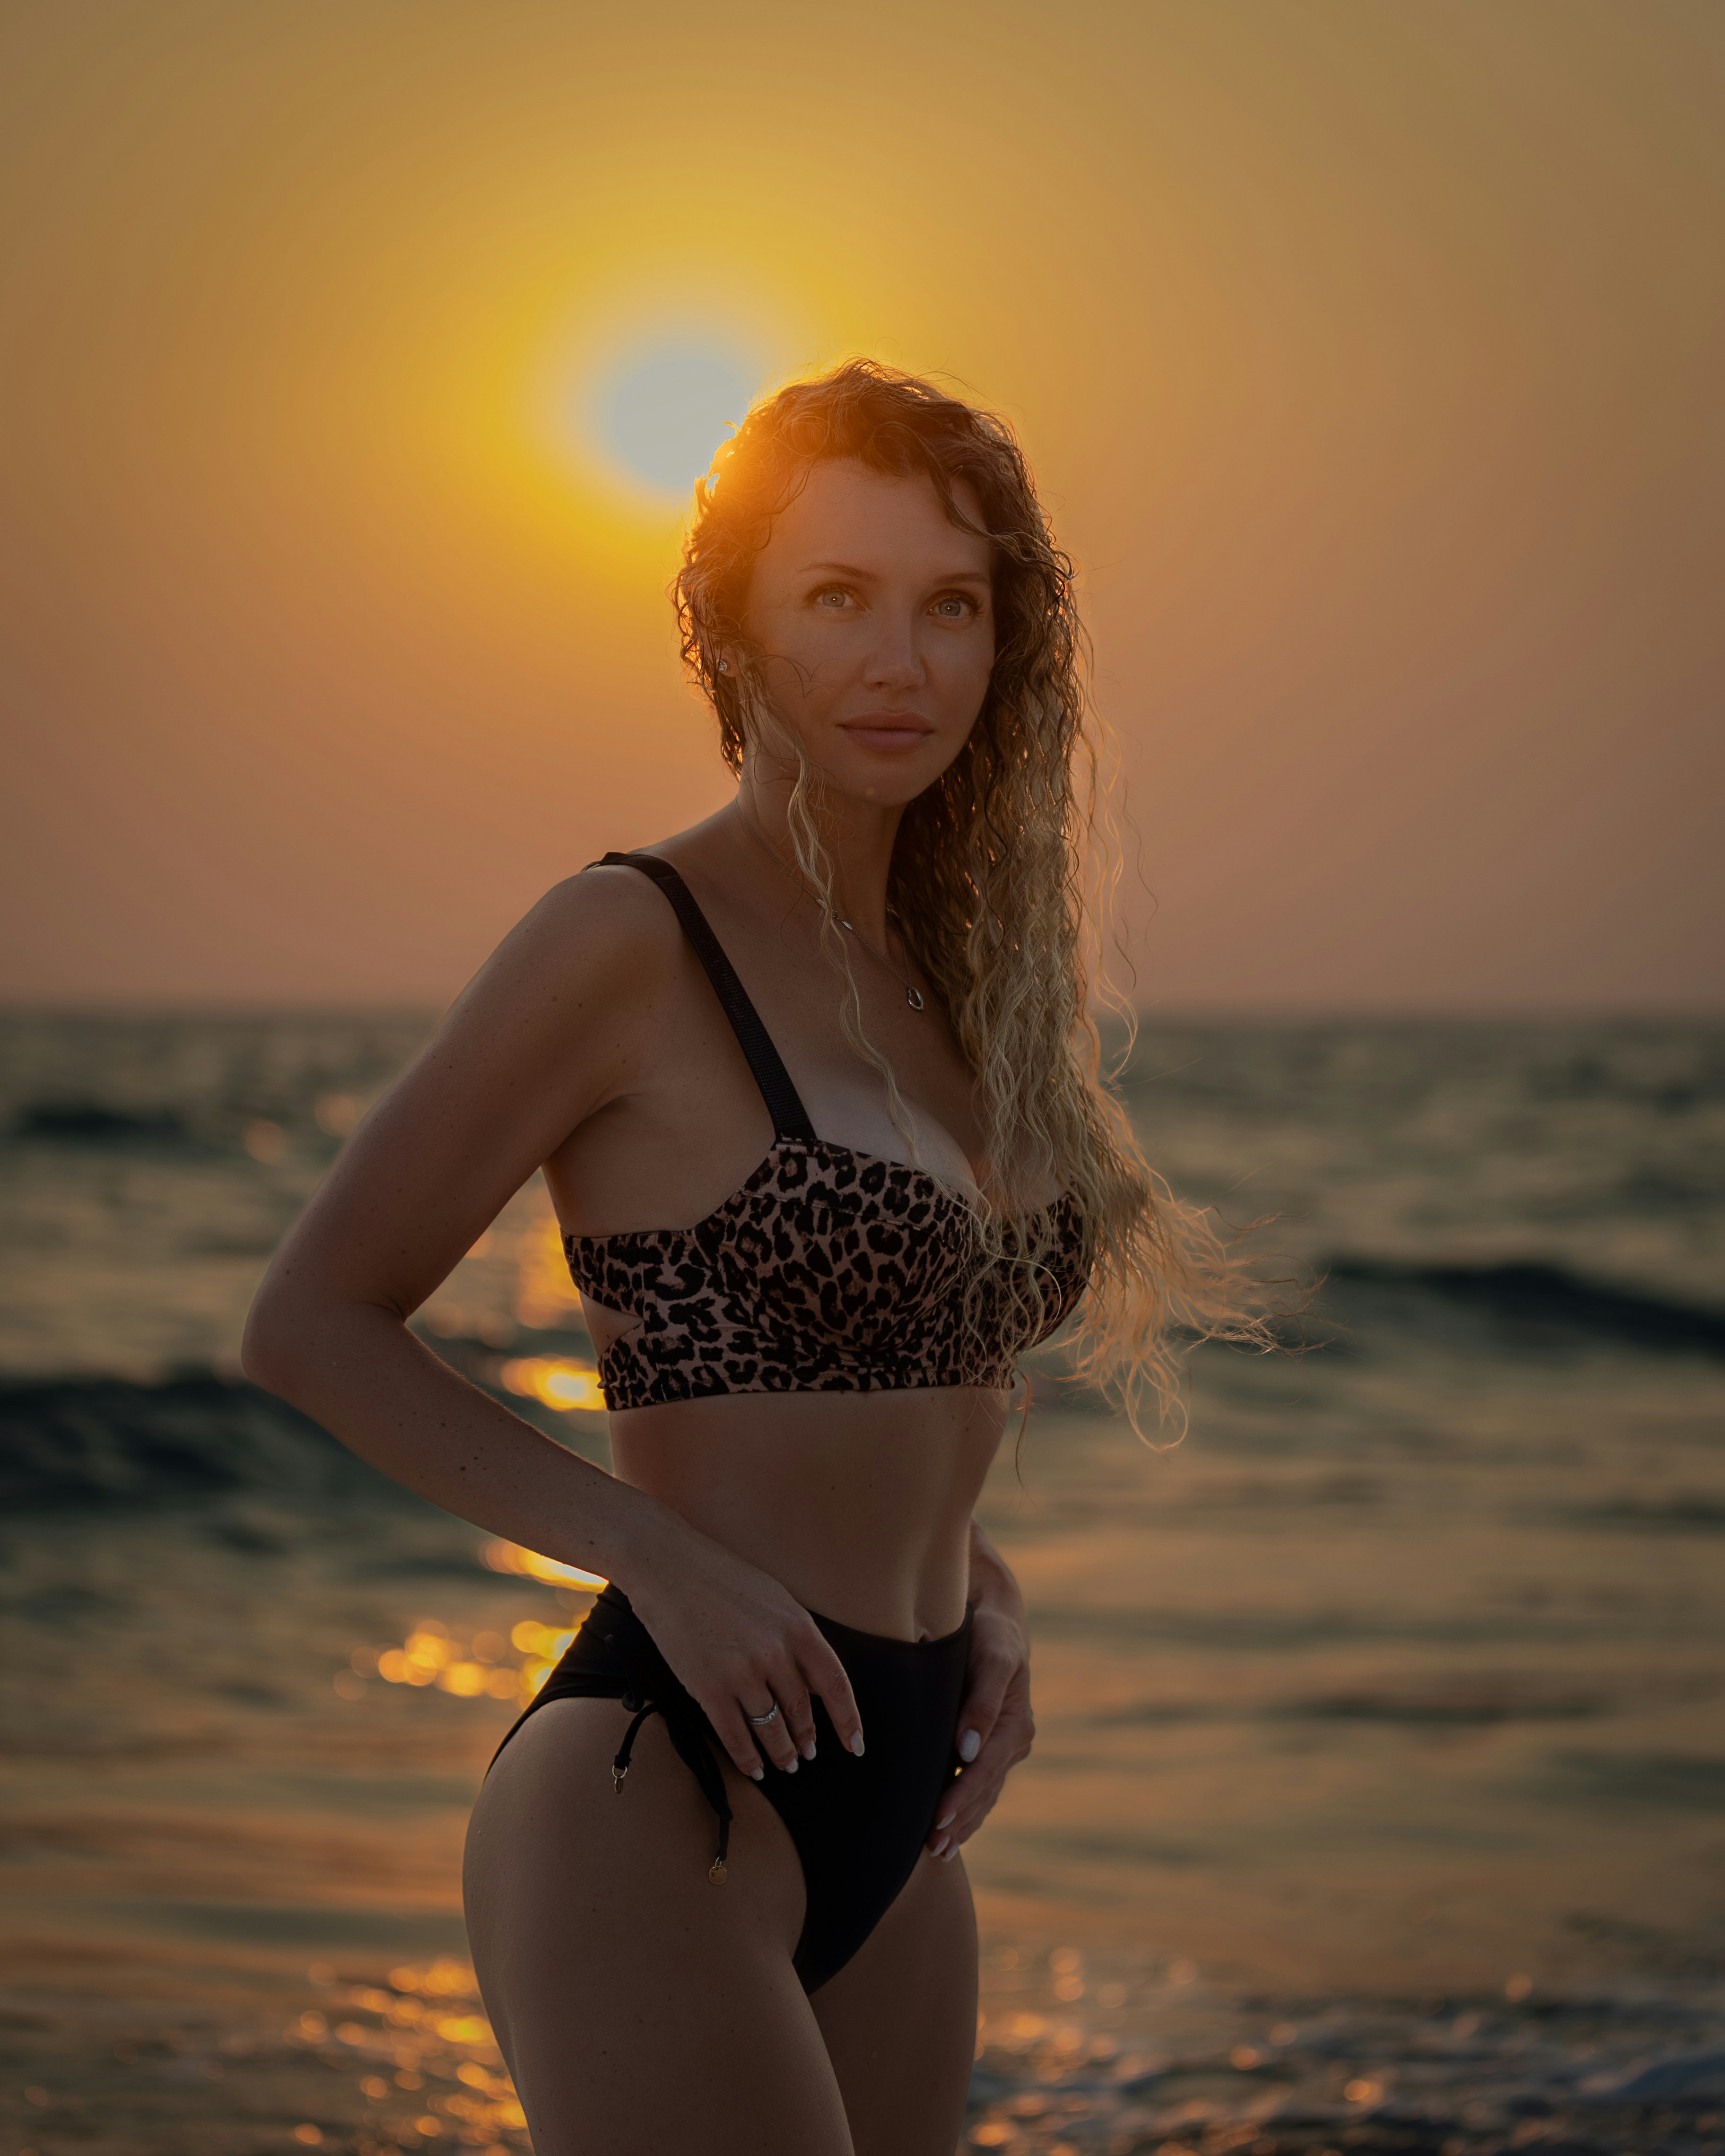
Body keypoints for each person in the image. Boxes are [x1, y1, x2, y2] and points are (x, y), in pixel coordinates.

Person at [244, 360, 1263, 2156]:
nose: (901, 660)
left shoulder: (960, 987)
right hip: (665, 1780)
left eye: (952, 605)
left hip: (905, 1808)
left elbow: (897, 1385)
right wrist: (656, 1555)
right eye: (838, 598)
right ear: (729, 630)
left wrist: (983, 1590)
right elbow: (313, 1322)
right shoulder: (630, 938)